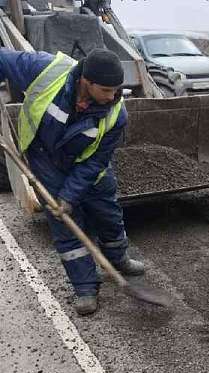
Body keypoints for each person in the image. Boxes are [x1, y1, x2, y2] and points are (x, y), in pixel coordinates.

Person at [0, 47, 144, 315]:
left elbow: (95, 162)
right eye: (106, 90)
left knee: (108, 215)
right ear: (85, 81)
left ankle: (118, 258)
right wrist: (62, 201)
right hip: (47, 162)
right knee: (65, 226)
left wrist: (70, 196)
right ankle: (85, 287)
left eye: (116, 90)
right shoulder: (45, 70)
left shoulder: (116, 113)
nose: (113, 97)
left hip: (91, 170)